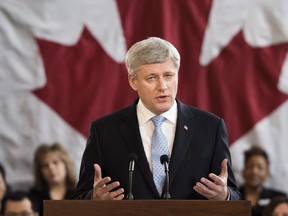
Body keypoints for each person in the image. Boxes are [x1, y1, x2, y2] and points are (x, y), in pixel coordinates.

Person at [72, 37, 242, 200]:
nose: (162, 86)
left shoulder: (210, 127)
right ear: (133, 81)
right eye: (151, 78)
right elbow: (80, 197)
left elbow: (235, 196)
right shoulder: (104, 131)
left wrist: (224, 196)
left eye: (168, 75)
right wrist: (93, 198)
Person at [29, 143, 76, 216]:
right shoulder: (33, 196)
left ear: (66, 165)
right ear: (40, 171)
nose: (51, 168)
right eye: (45, 165)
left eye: (55, 162)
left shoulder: (79, 192)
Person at [239, 145, 287, 216]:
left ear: (267, 173)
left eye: (260, 168)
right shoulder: (232, 197)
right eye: (250, 166)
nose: (254, 171)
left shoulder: (278, 198)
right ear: (243, 170)